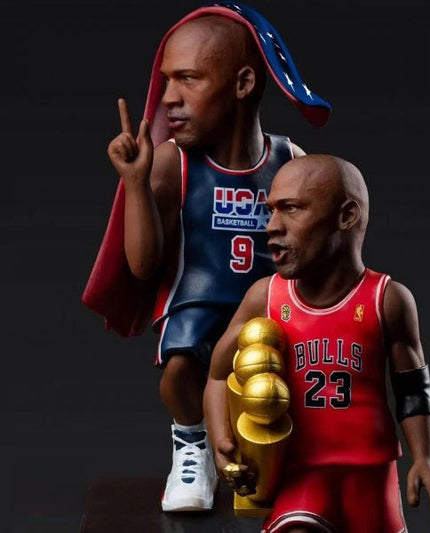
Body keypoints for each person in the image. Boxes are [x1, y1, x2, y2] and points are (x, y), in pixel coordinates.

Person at [82, 2, 332, 513]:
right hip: (199, 301)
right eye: (166, 81)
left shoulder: (290, 161)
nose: (168, 99)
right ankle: (191, 444)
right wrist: (135, 185)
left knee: (291, 378)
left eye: (188, 79)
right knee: (178, 370)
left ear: (243, 84)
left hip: (268, 306)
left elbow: (315, 254)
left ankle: (290, 458)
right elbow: (143, 267)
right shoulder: (171, 164)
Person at [204, 154, 430, 532]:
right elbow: (218, 375)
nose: (272, 226)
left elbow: (412, 390)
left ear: (346, 216)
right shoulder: (265, 298)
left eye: (291, 209)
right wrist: (221, 440)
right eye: (271, 210)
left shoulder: (386, 299)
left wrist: (426, 458)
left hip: (370, 472)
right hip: (300, 473)